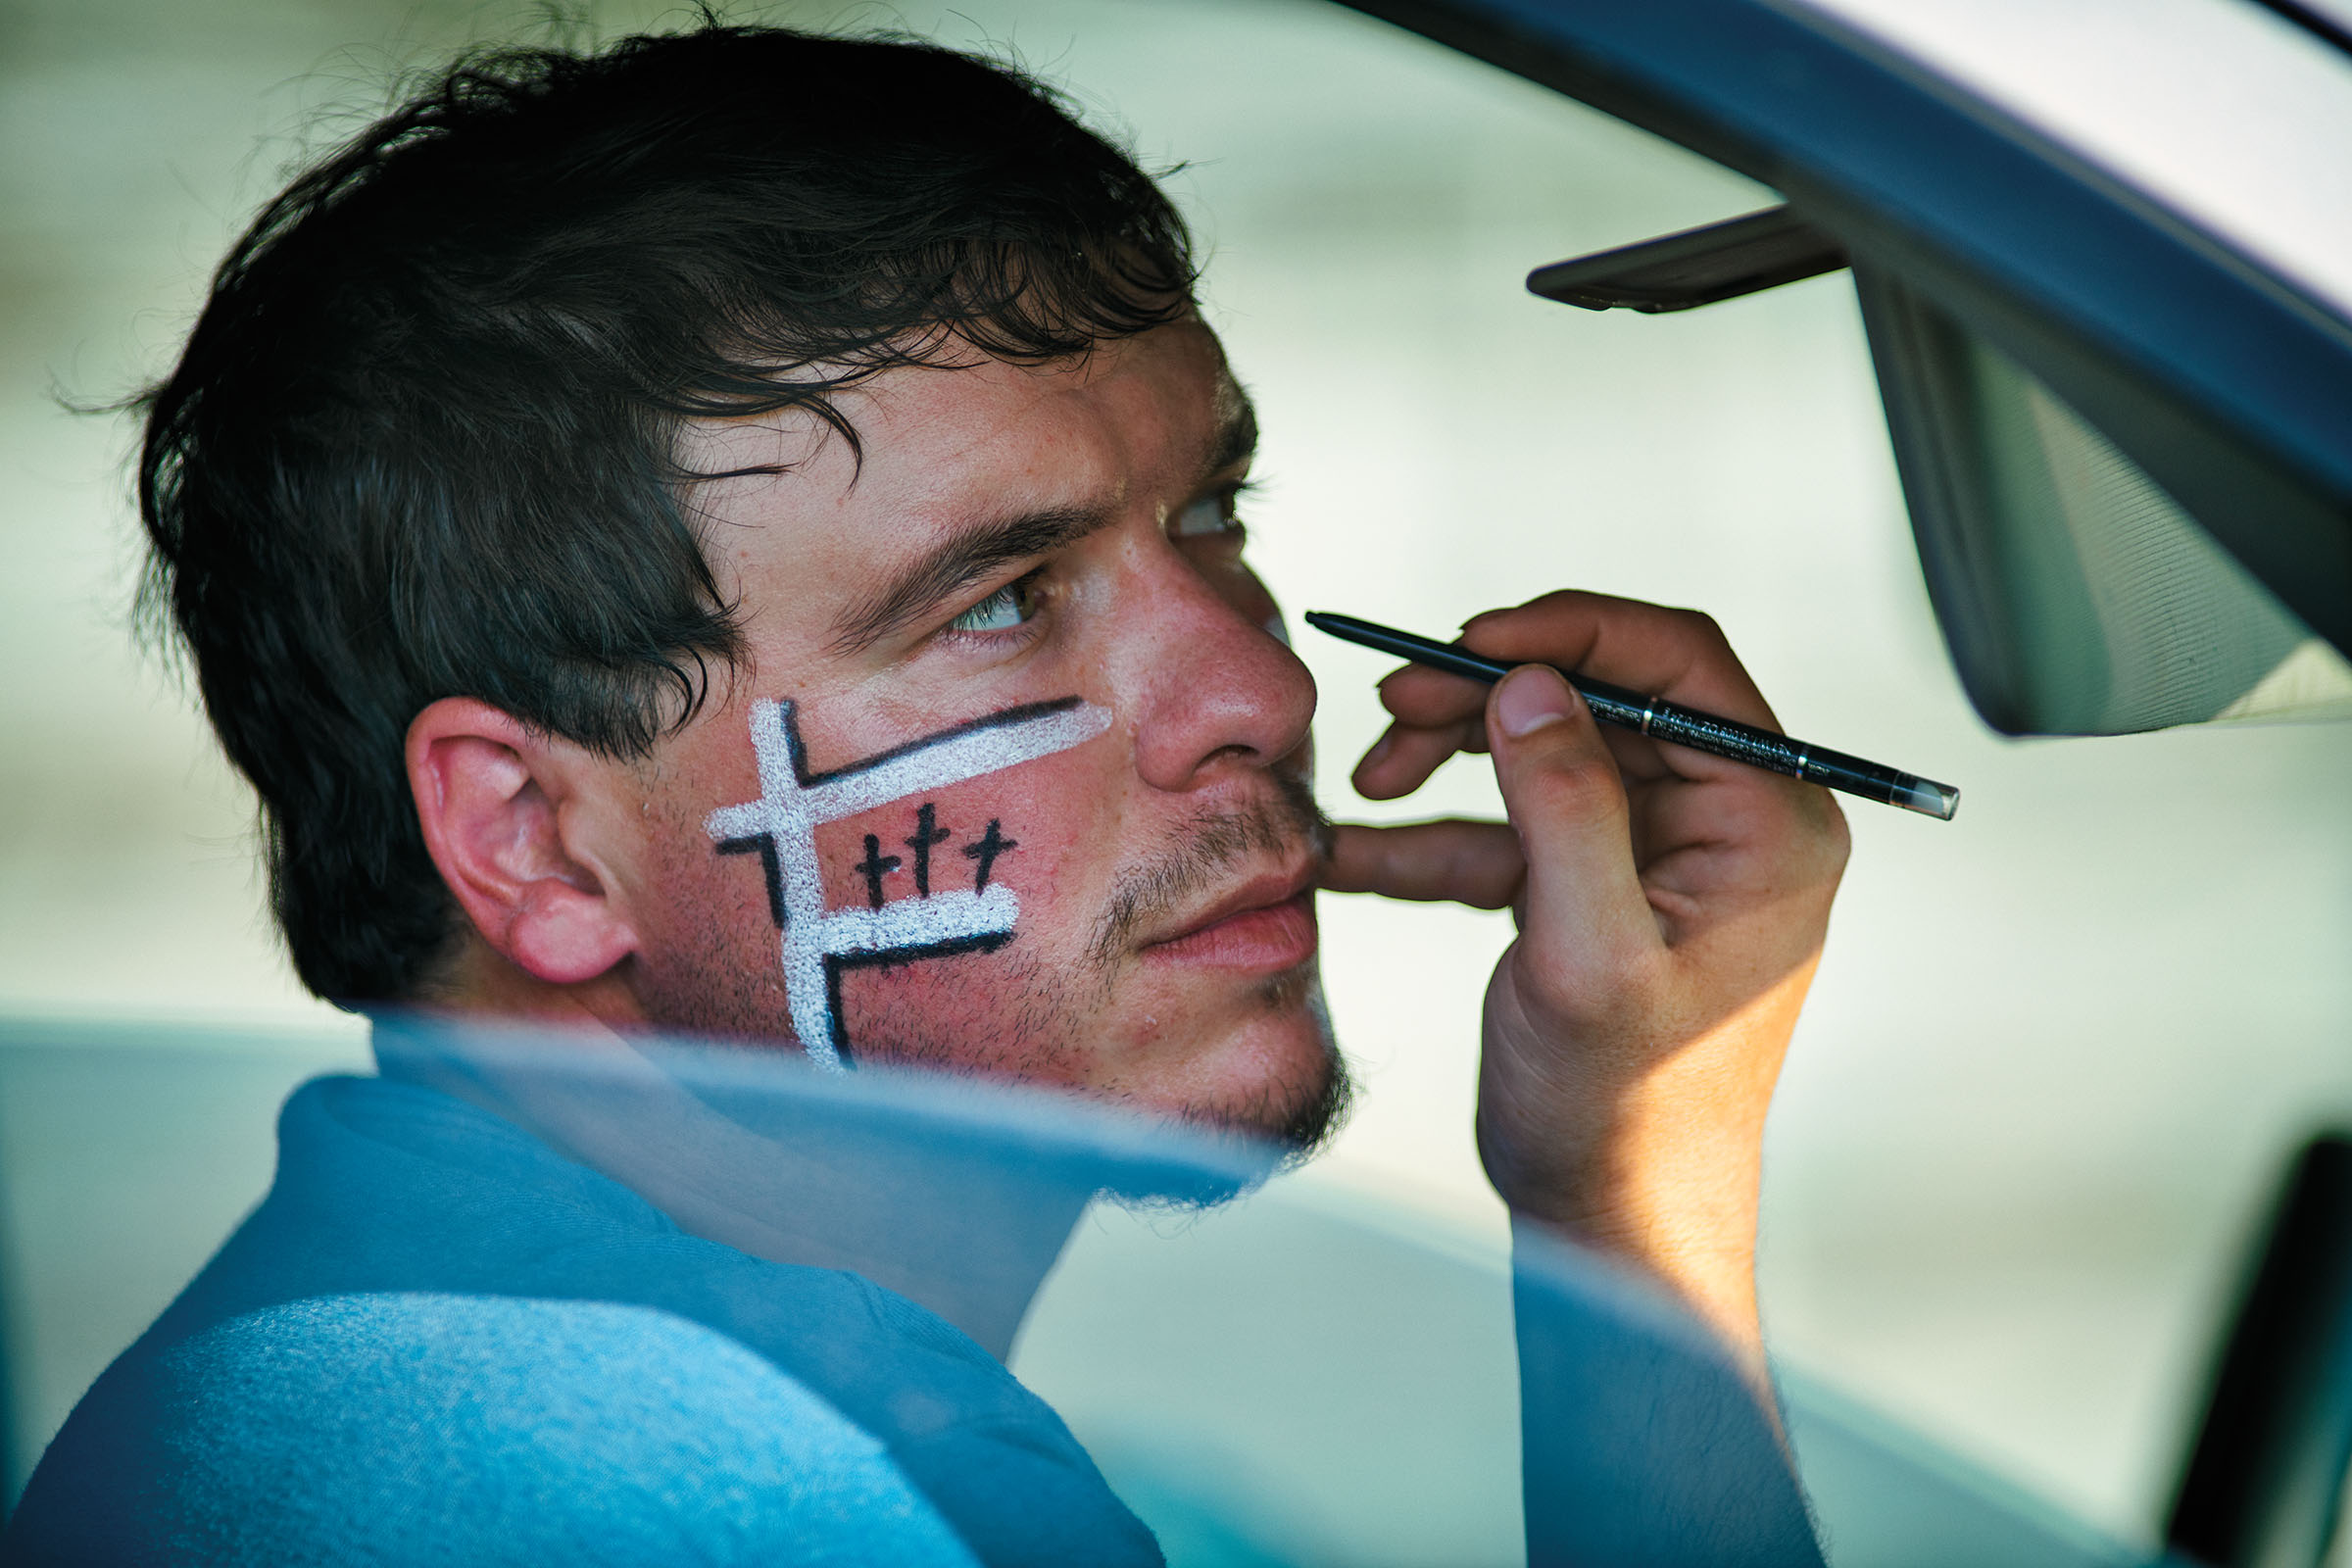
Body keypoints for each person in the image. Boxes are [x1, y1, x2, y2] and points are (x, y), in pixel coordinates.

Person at [5, 21, 1845, 1566]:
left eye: (1211, 517)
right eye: (1001, 602)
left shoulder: (463, 1393)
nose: (1261, 690)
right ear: (533, 840)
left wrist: (1632, 1163)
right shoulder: (650, 1491)